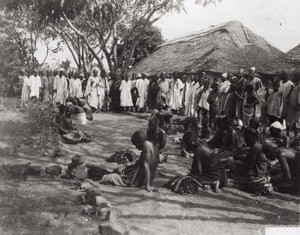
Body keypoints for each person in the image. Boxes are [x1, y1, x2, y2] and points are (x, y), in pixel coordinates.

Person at [230, 127, 273, 195]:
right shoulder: (258, 145)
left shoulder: (255, 148)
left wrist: (236, 162)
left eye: (245, 137)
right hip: (262, 174)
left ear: (249, 137)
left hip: (258, 176)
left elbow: (248, 165)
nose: (245, 139)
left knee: (233, 167)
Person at [286, 71, 300, 138]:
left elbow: (299, 97)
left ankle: (295, 137)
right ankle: (289, 135)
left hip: (296, 106)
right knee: (291, 121)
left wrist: (299, 105)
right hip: (292, 106)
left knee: (296, 122)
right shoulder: (295, 87)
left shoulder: (298, 87)